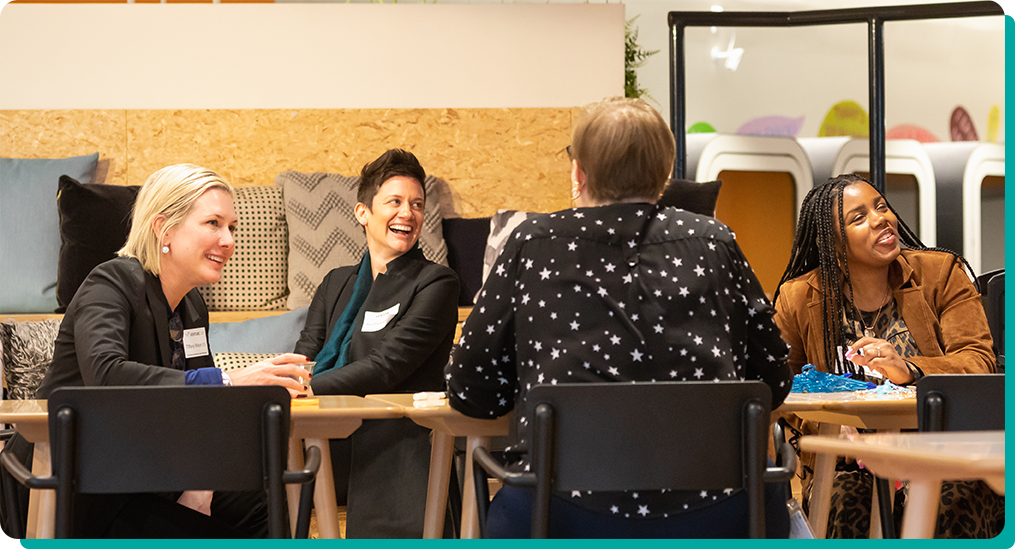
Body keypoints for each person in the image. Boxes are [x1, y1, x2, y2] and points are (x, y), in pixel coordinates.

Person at [445, 97, 793, 539]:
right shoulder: (715, 244)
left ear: (579, 173)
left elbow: (471, 389)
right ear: (665, 174)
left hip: (559, 516)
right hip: (719, 513)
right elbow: (774, 379)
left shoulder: (532, 245)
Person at [0, 164, 310, 539]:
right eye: (213, 223)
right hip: (75, 479)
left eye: (232, 227)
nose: (228, 240)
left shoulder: (192, 306)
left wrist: (202, 483)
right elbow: (108, 374)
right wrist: (228, 379)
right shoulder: (110, 282)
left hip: (146, 470)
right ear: (164, 228)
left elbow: (204, 411)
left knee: (268, 505)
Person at [773, 173, 999, 538]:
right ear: (832, 243)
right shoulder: (798, 298)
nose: (881, 218)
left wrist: (909, 368)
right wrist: (827, 430)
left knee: (945, 501)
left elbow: (978, 361)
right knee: (846, 503)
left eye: (881, 206)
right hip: (848, 463)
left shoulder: (941, 275)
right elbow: (782, 387)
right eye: (858, 217)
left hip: (942, 450)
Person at [292, 148, 459, 538]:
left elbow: (387, 366)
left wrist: (305, 387)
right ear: (363, 213)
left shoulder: (437, 282)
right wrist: (291, 379)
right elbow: (307, 351)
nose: (408, 213)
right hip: (324, 432)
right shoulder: (335, 281)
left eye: (417, 205)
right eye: (395, 202)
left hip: (399, 443)